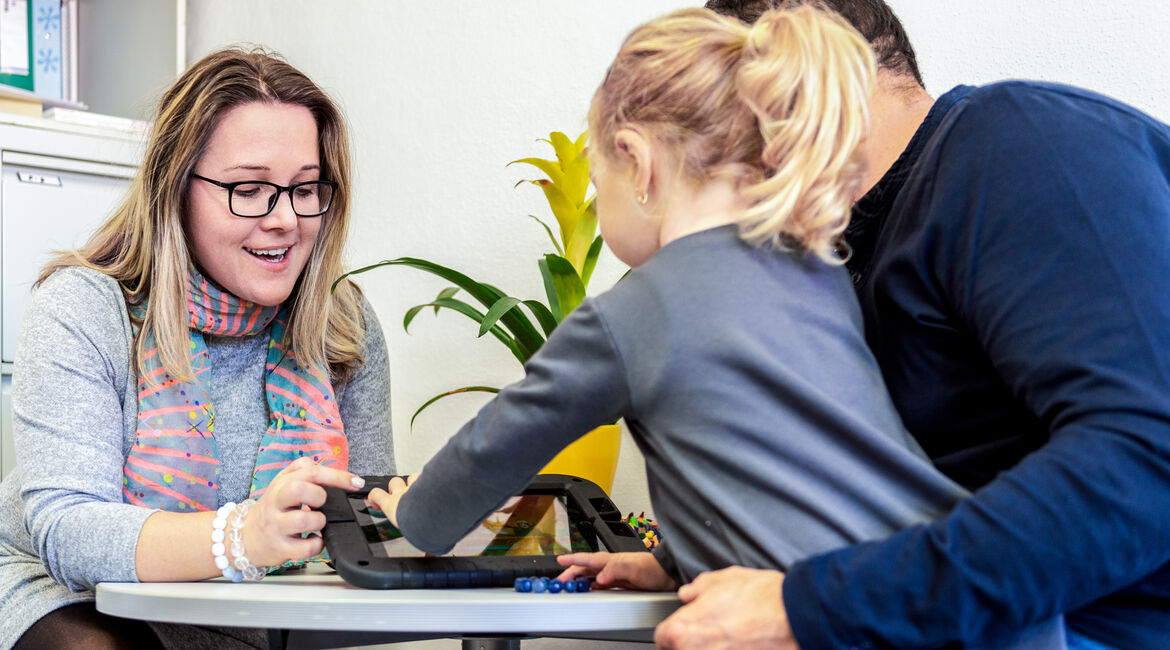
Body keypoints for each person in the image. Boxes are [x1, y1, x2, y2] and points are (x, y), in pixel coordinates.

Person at [365, 6, 1046, 643]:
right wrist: (672, 559)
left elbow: (493, 449)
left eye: (600, 176)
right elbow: (795, 465)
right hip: (957, 606)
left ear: (638, 163)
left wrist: (415, 515)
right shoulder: (816, 269)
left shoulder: (637, 310)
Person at [630, 1, 1170, 648]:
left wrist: (802, 607)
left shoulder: (1020, 143)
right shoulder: (841, 258)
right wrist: (683, 559)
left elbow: (1147, 456)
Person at [0, 47, 395, 649]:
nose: (285, 219)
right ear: (175, 188)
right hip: (74, 597)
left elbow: (364, 533)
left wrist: (407, 521)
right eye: (249, 188)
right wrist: (240, 536)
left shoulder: (343, 324)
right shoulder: (85, 307)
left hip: (259, 610)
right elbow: (69, 531)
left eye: (305, 188)